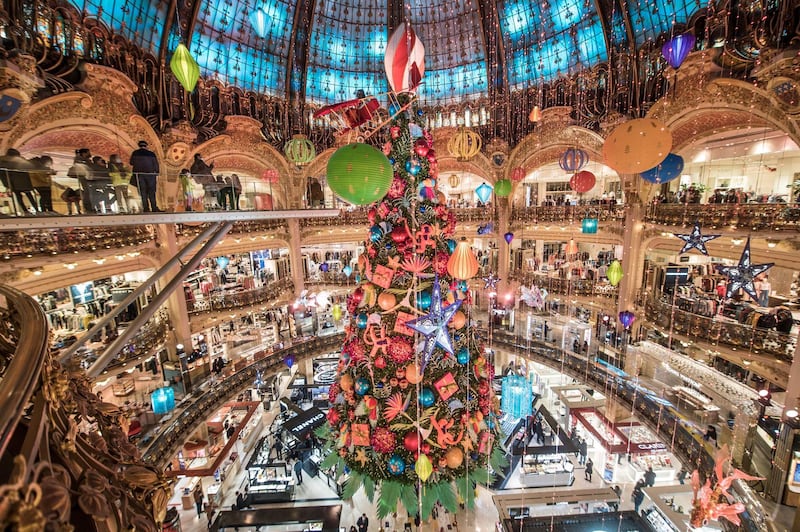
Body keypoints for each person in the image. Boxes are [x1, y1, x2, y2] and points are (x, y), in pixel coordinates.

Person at [0, 148, 37, 213]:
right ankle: (36, 210)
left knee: (19, 196)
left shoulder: (3, 160)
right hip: (22, 181)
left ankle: (25, 211)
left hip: (12, 182)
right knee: (28, 195)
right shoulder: (20, 160)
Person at [129, 140, 161, 212]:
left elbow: (131, 163)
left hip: (139, 175)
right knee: (151, 192)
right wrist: (156, 173)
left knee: (143, 192)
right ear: (146, 146)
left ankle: (146, 208)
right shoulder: (151, 154)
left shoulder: (135, 153)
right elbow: (156, 164)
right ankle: (154, 207)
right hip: (150, 175)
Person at [67, 148, 93, 214]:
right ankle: (87, 207)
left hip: (87, 177)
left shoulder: (82, 160)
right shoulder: (80, 159)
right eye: (88, 152)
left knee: (89, 192)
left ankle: (89, 206)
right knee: (87, 192)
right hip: (84, 177)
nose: (89, 154)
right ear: (84, 153)